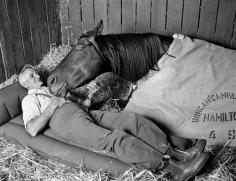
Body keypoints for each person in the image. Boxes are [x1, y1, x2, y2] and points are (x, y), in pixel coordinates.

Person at [18, 64, 210, 181]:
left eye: (35, 72)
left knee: (131, 119)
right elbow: (32, 129)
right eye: (32, 76)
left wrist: (86, 98)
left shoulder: (52, 89)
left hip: (85, 112)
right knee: (116, 139)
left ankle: (177, 154)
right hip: (64, 121)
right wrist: (52, 105)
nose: (37, 76)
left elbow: (83, 103)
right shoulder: (30, 100)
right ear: (26, 85)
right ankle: (176, 170)